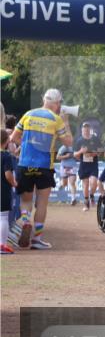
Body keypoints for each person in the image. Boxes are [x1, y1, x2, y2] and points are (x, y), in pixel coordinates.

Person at [9, 88, 74, 249]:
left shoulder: (29, 114)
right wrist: (65, 121)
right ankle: (37, 239)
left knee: (25, 200)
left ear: (44, 100)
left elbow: (13, 138)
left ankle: (25, 221)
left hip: (25, 163)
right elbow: (68, 143)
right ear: (57, 103)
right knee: (42, 202)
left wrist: (26, 143)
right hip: (44, 165)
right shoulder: (56, 119)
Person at [73, 122, 103, 212]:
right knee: (85, 185)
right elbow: (74, 154)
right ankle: (86, 203)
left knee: (94, 182)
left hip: (93, 164)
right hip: (83, 165)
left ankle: (92, 195)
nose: (86, 130)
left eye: (87, 128)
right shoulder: (79, 141)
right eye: (84, 128)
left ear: (90, 130)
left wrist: (96, 153)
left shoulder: (95, 139)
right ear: (82, 130)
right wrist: (81, 151)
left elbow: (101, 150)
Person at [2, 130, 15, 255]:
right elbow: (8, 174)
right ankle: (2, 245)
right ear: (6, 141)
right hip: (3, 190)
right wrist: (14, 183)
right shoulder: (6, 156)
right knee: (3, 217)